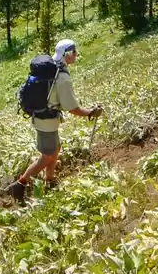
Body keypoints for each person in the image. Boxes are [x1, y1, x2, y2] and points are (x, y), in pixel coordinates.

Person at [8, 39, 101, 199]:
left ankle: (49, 180)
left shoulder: (53, 68)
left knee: (55, 149)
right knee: (48, 156)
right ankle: (20, 184)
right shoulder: (62, 77)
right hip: (46, 121)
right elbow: (72, 108)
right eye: (74, 52)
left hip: (43, 118)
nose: (77, 55)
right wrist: (90, 113)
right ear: (68, 54)